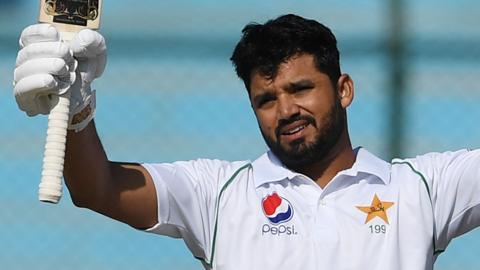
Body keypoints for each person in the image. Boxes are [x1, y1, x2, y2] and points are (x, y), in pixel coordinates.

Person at [12, 14, 480, 270]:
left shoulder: (417, 187)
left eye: (300, 89)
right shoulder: (219, 193)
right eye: (266, 99)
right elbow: (99, 190)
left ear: (343, 90)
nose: (286, 111)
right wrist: (76, 109)